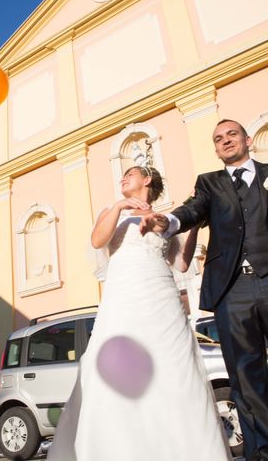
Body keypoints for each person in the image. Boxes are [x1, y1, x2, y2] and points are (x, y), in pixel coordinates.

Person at [141, 119, 268, 460]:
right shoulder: (209, 183)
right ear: (216, 150)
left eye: (232, 134)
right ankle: (265, 456)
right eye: (218, 139)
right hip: (233, 290)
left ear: (247, 140)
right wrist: (169, 222)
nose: (225, 141)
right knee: (245, 384)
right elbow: (192, 210)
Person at [47, 165, 231, 460]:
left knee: (171, 364)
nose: (122, 178)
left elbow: (181, 264)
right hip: (123, 296)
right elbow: (98, 241)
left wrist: (194, 225)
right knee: (114, 363)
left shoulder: (167, 219)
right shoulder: (112, 211)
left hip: (161, 294)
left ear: (147, 180)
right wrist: (120, 206)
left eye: (129, 174)